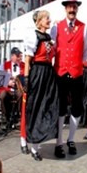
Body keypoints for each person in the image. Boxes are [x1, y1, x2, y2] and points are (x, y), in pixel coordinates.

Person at [49, 0, 87, 159]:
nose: (72, 9)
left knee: (76, 107)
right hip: (60, 72)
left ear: (77, 8)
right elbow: (52, 47)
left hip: (76, 72)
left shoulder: (85, 27)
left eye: (74, 6)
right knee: (60, 108)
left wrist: (77, 64)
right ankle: (59, 142)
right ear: (65, 8)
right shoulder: (56, 26)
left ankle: (71, 139)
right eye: (69, 6)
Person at [23, 10, 60, 161]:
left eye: (49, 18)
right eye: (46, 18)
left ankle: (45, 136)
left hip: (48, 73)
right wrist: (26, 78)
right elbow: (27, 60)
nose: (49, 20)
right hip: (37, 72)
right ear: (39, 21)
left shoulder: (49, 37)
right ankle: (34, 147)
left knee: (50, 105)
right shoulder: (33, 35)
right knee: (37, 107)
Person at [0, 47, 24, 131]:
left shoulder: (24, 65)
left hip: (18, 89)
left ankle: (20, 118)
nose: (19, 58)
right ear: (12, 56)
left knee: (22, 94)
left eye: (20, 56)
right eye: (17, 56)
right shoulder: (4, 65)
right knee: (3, 95)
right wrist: (7, 83)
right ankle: (5, 117)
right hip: (7, 89)